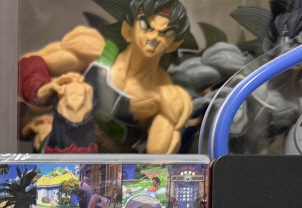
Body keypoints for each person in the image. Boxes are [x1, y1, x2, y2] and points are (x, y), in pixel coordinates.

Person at [19, 0, 192, 154]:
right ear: (128, 30)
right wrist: (43, 90)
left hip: (114, 165)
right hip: (63, 155)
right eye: (147, 26)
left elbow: (158, 157)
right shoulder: (96, 51)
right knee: (76, 90)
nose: (154, 37)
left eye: (166, 33)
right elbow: (31, 62)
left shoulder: (166, 95)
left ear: (174, 44)